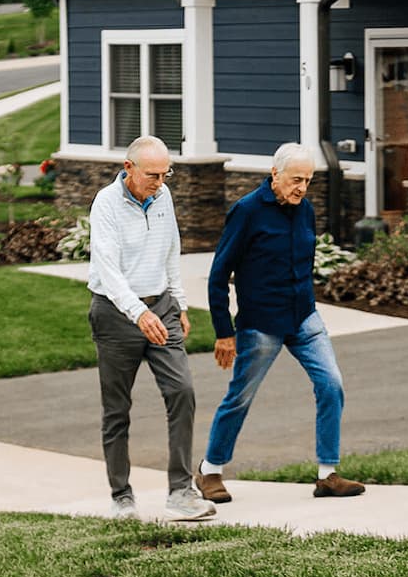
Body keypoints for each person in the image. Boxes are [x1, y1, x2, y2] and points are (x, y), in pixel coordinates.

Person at [199, 143, 366, 501]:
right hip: (261, 324)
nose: (302, 188)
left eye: (307, 180)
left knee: (331, 384)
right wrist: (223, 332)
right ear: (275, 175)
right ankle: (209, 471)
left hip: (305, 317)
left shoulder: (304, 210)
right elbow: (218, 275)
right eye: (295, 180)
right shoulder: (246, 212)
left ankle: (328, 475)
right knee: (240, 396)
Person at [86, 135, 213, 521]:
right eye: (152, 174)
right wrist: (138, 314)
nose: (160, 181)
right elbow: (108, 271)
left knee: (182, 391)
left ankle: (180, 492)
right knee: (117, 408)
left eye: (165, 173)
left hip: (161, 305)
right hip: (115, 314)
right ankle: (121, 497)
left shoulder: (163, 196)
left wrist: (179, 303)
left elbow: (170, 250)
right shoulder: (106, 204)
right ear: (128, 169)